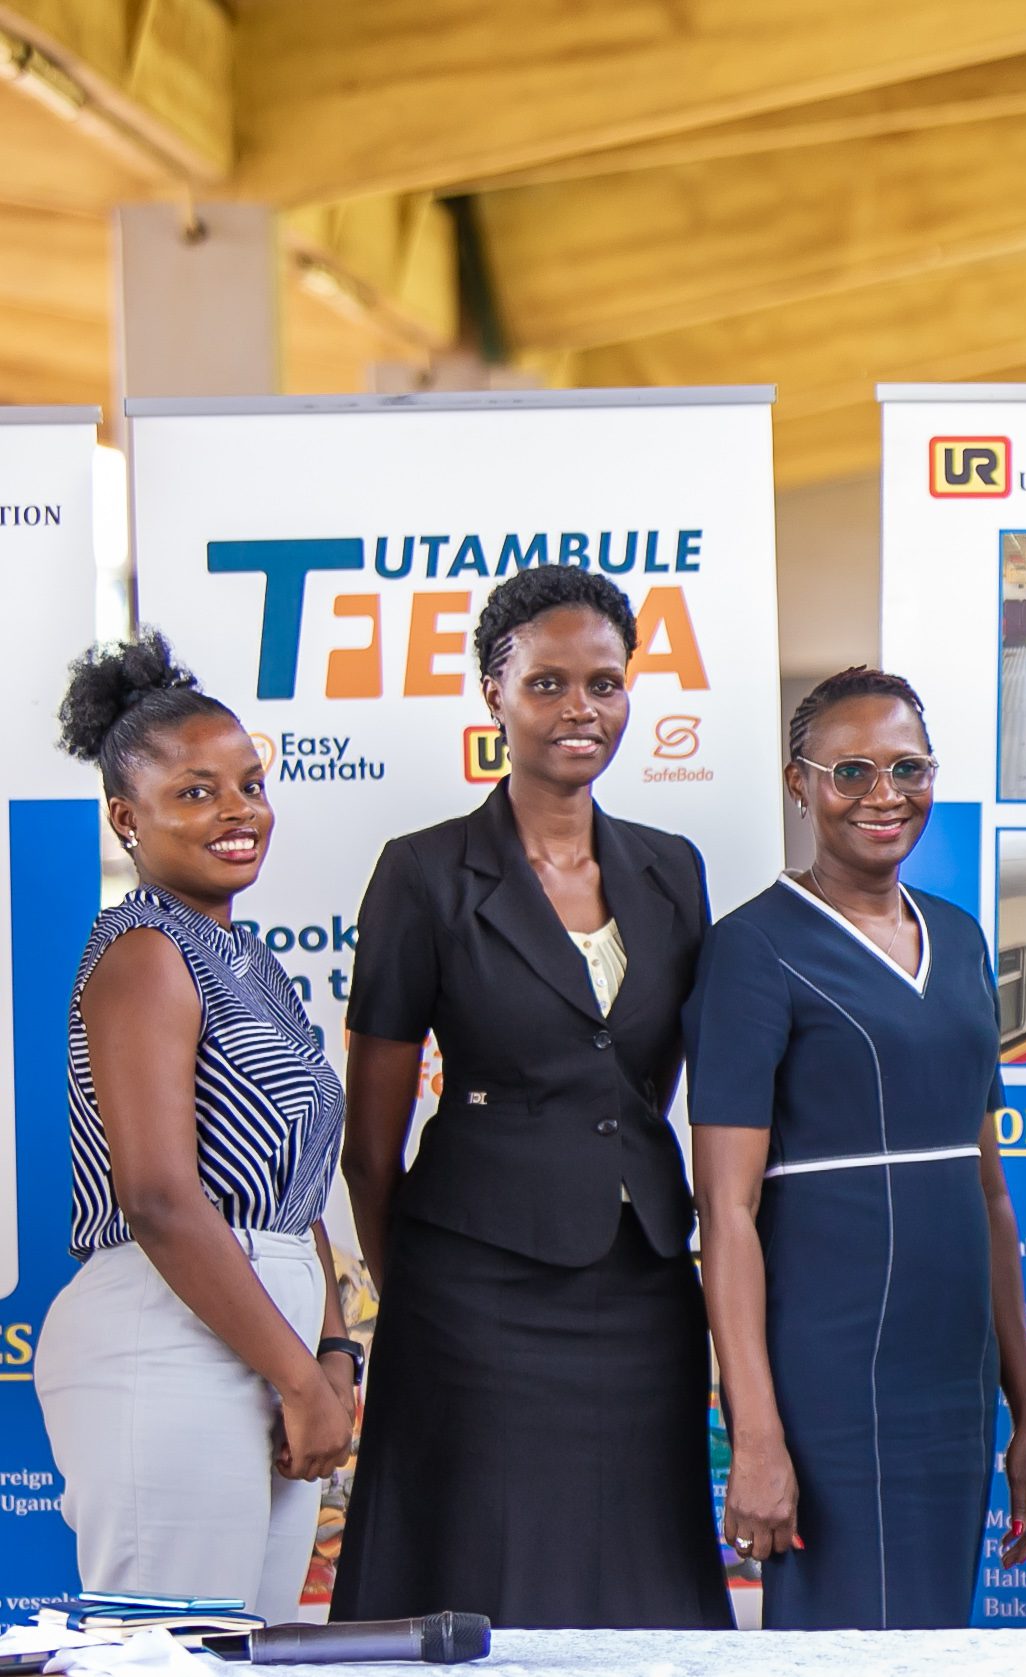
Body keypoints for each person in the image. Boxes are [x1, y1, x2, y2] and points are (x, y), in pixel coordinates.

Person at [330, 568, 730, 1628]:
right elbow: (370, 1146)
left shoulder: (671, 870)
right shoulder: (422, 874)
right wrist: (411, 1286)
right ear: (493, 696)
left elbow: (645, 1084)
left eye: (604, 683)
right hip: (473, 1291)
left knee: (640, 1558)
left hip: (643, 1282)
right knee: (479, 1561)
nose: (580, 710)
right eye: (547, 684)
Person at [683, 667, 1026, 1628]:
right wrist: (756, 1434)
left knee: (933, 1632)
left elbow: (990, 1197)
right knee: (846, 1639)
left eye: (907, 767)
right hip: (831, 1372)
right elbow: (726, 1213)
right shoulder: (753, 949)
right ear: (797, 783)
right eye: (850, 770)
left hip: (952, 1370)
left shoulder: (962, 937)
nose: (883, 794)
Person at [34, 632, 357, 1618]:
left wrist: (333, 1353)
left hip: (272, 1341)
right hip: (167, 1338)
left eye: (249, 784)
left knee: (247, 1650)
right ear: (127, 819)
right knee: (171, 1650)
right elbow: (164, 1199)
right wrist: (296, 1378)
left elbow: (293, 1187)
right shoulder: (142, 950)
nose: (237, 811)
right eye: (195, 792)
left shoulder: (250, 962)